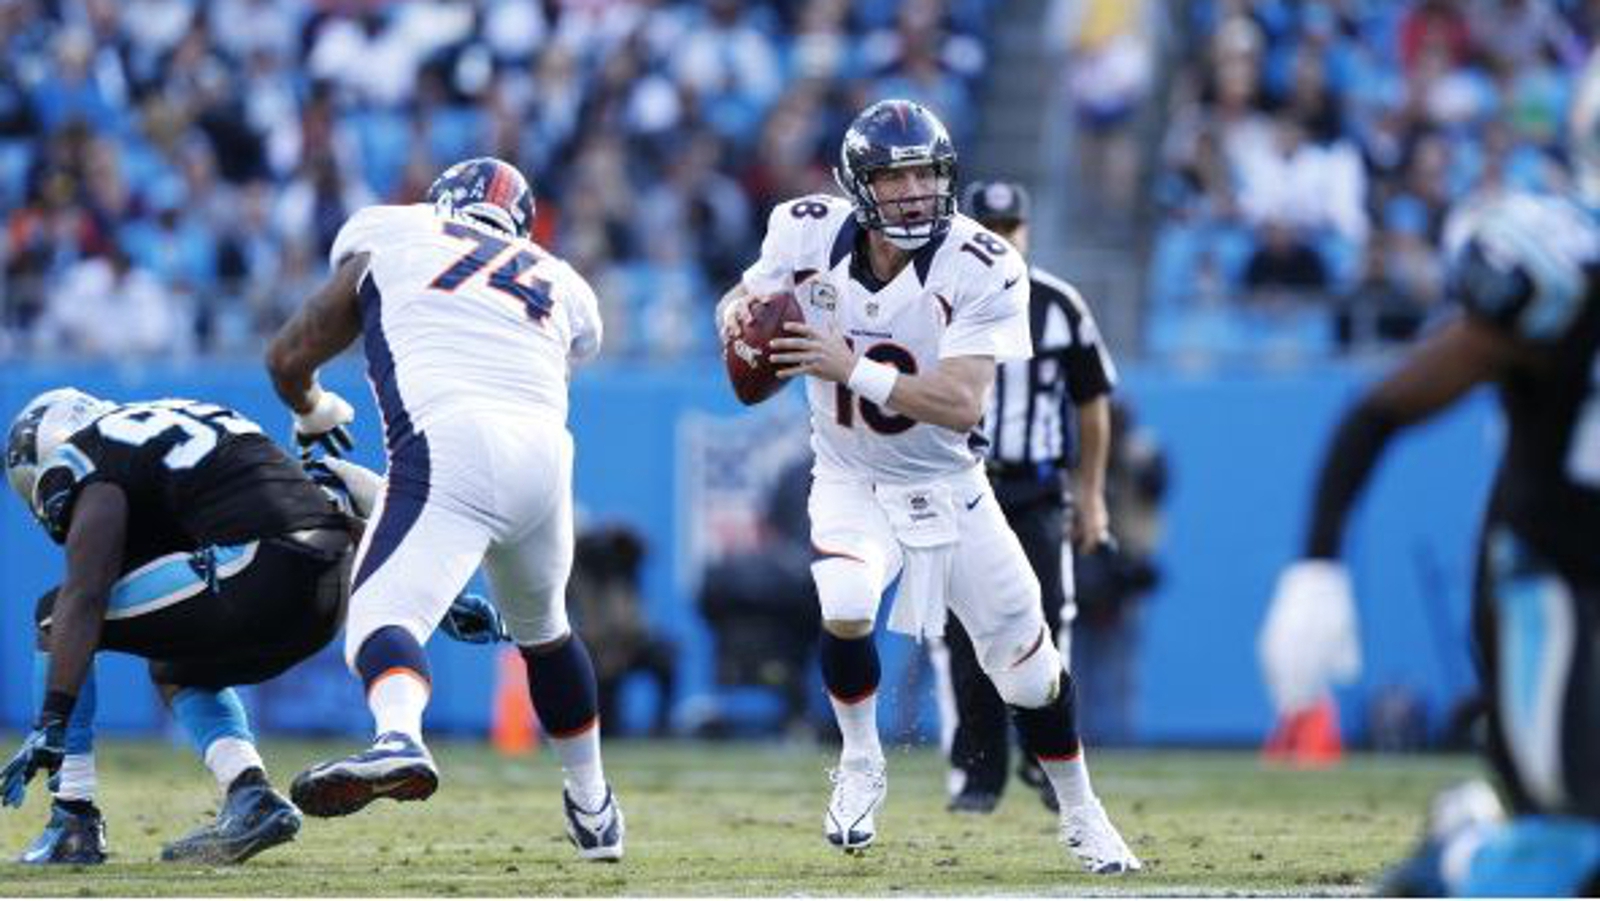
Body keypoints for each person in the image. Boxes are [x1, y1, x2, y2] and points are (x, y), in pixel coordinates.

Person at [717, 99, 1139, 874]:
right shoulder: (803, 227)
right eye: (896, 176)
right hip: (849, 474)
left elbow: (961, 400)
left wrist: (850, 365)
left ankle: (1083, 810)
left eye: (926, 174)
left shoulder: (984, 262)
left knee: (1030, 667)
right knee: (844, 601)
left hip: (949, 482)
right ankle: (860, 759)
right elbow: (740, 300)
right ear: (857, 184)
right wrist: (738, 323)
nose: (914, 191)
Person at [1258, 97, 1600, 895]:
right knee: (1578, 847)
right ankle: (1460, 857)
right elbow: (1383, 408)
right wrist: (1318, 564)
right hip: (1560, 583)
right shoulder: (1564, 277)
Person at [265, 156, 623, 861]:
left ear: (441, 201)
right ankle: (595, 806)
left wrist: (310, 405)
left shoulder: (394, 230)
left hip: (450, 440)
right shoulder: (563, 279)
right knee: (545, 630)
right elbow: (557, 348)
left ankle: (399, 735)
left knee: (380, 622)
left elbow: (292, 350)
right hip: (546, 454)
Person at [0, 390, 509, 867]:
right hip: (326, 590)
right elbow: (324, 494)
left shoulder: (83, 455)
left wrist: (53, 720)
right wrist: (437, 594)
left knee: (55, 613)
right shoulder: (181, 426)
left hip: (258, 568)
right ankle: (250, 796)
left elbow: (85, 592)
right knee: (177, 662)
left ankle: (73, 817)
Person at [930, 179, 1119, 816]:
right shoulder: (937, 296)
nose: (1000, 242)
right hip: (961, 482)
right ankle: (978, 771)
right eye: (988, 229)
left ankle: (1049, 760)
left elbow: (1092, 402)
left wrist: (1091, 496)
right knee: (959, 630)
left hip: (1036, 486)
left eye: (1010, 230)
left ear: (1027, 233)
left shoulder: (1059, 305)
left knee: (1048, 620)